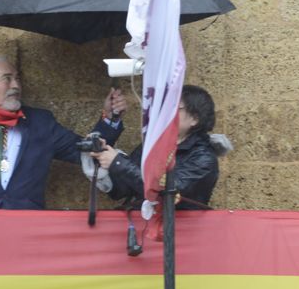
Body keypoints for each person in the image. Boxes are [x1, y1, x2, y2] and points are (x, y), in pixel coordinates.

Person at [0, 55, 120, 210]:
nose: (16, 86)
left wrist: (109, 119)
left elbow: (85, 152)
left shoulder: (41, 123)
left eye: (17, 78)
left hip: (29, 231)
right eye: (7, 79)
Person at [91, 85, 225, 209]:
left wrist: (118, 162)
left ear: (194, 119)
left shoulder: (204, 158)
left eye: (174, 108)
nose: (165, 113)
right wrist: (105, 162)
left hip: (180, 229)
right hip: (142, 223)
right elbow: (121, 191)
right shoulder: (153, 145)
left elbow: (169, 192)